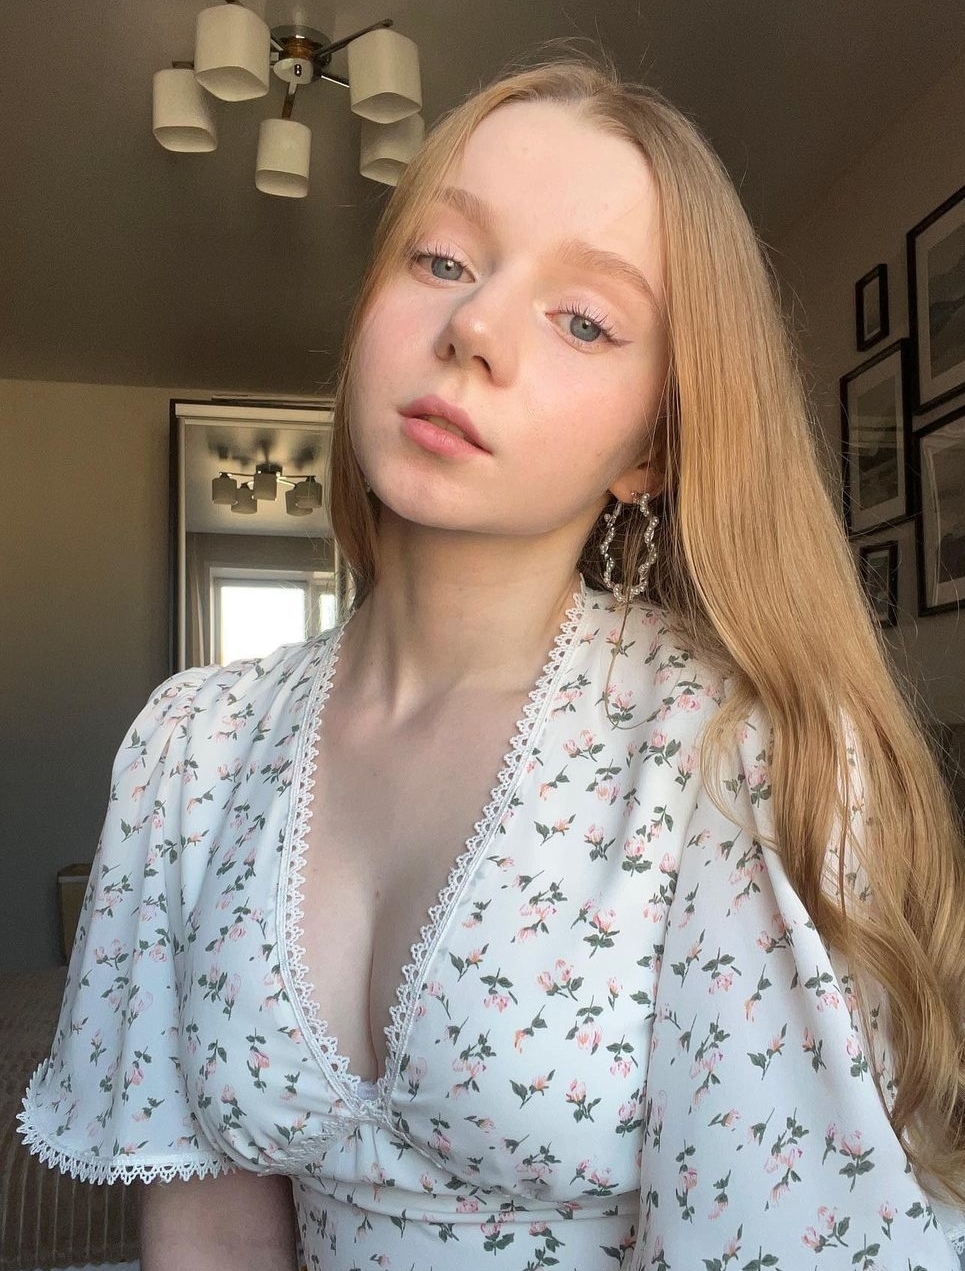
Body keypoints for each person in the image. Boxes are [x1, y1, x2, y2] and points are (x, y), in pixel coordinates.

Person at [19, 59, 965, 1271]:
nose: (470, 329)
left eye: (583, 320)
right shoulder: (192, 743)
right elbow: (210, 1221)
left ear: (649, 448)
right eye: (441, 259)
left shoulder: (737, 755)